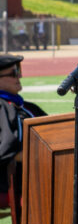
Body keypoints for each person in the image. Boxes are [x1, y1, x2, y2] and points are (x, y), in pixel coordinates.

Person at [0, 54, 46, 208]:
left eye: (18, 70)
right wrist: (40, 157)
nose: (19, 76)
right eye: (13, 73)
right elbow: (6, 150)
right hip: (9, 184)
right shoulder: (2, 107)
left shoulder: (26, 106)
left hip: (32, 178)